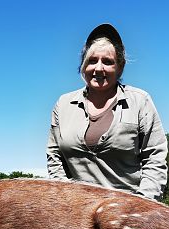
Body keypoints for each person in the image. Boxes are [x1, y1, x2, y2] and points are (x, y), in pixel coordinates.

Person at [46, 23, 168, 200]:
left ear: (120, 67)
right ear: (83, 64)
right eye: (92, 60)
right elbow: (54, 156)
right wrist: (66, 201)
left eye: (108, 62)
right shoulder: (64, 104)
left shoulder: (140, 101)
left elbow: (155, 158)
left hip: (129, 210)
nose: (99, 68)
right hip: (76, 210)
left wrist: (141, 205)